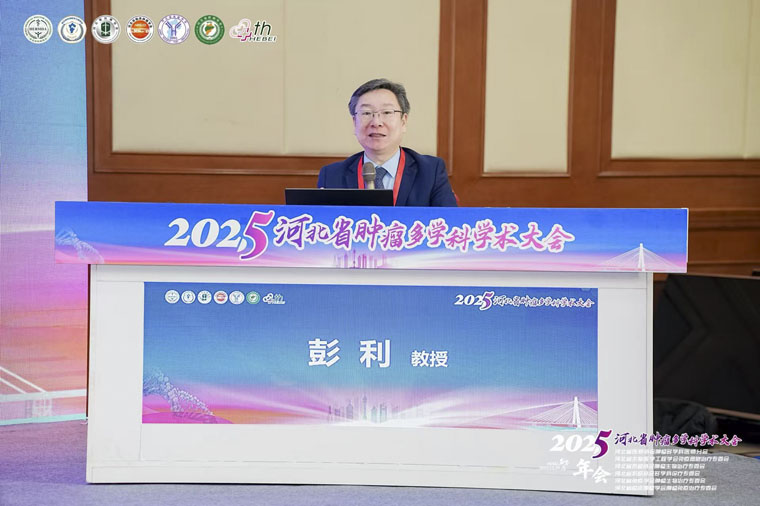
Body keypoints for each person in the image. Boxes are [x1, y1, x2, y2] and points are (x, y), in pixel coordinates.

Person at [317, 78, 457, 207]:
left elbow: (448, 222)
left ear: (403, 121)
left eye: (387, 112)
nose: (376, 122)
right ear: (354, 122)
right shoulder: (332, 175)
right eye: (366, 113)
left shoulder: (431, 171)